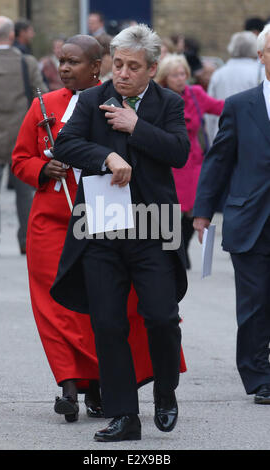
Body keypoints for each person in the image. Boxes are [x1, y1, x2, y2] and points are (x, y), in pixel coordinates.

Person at [12, 33, 187, 424]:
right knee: (108, 324)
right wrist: (106, 155)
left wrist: (135, 125)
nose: (122, 73)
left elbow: (179, 153)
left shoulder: (169, 102)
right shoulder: (91, 101)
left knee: (161, 316)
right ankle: (124, 415)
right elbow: (66, 145)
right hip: (101, 226)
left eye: (134, 67)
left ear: (152, 69)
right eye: (119, 64)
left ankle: (164, 389)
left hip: (153, 225)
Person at [193, 23, 270, 405]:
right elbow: (218, 160)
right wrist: (203, 211)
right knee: (255, 302)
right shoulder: (241, 105)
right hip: (251, 219)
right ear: (261, 56)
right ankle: (260, 376)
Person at [0, 16, 47, 257]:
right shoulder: (27, 63)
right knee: (26, 193)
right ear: (12, 36)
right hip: (23, 137)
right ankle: (26, 241)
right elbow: (41, 99)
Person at [156, 54, 224, 268]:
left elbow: (221, 107)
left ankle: (182, 249)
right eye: (175, 74)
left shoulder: (196, 94)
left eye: (183, 73)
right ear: (165, 77)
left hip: (194, 161)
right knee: (172, 210)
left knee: (193, 210)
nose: (180, 78)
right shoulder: (158, 98)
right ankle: (173, 253)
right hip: (170, 162)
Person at [205, 31, 262, 145]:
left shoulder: (218, 74)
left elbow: (209, 112)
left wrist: (212, 139)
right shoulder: (259, 73)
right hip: (252, 137)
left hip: (222, 135)